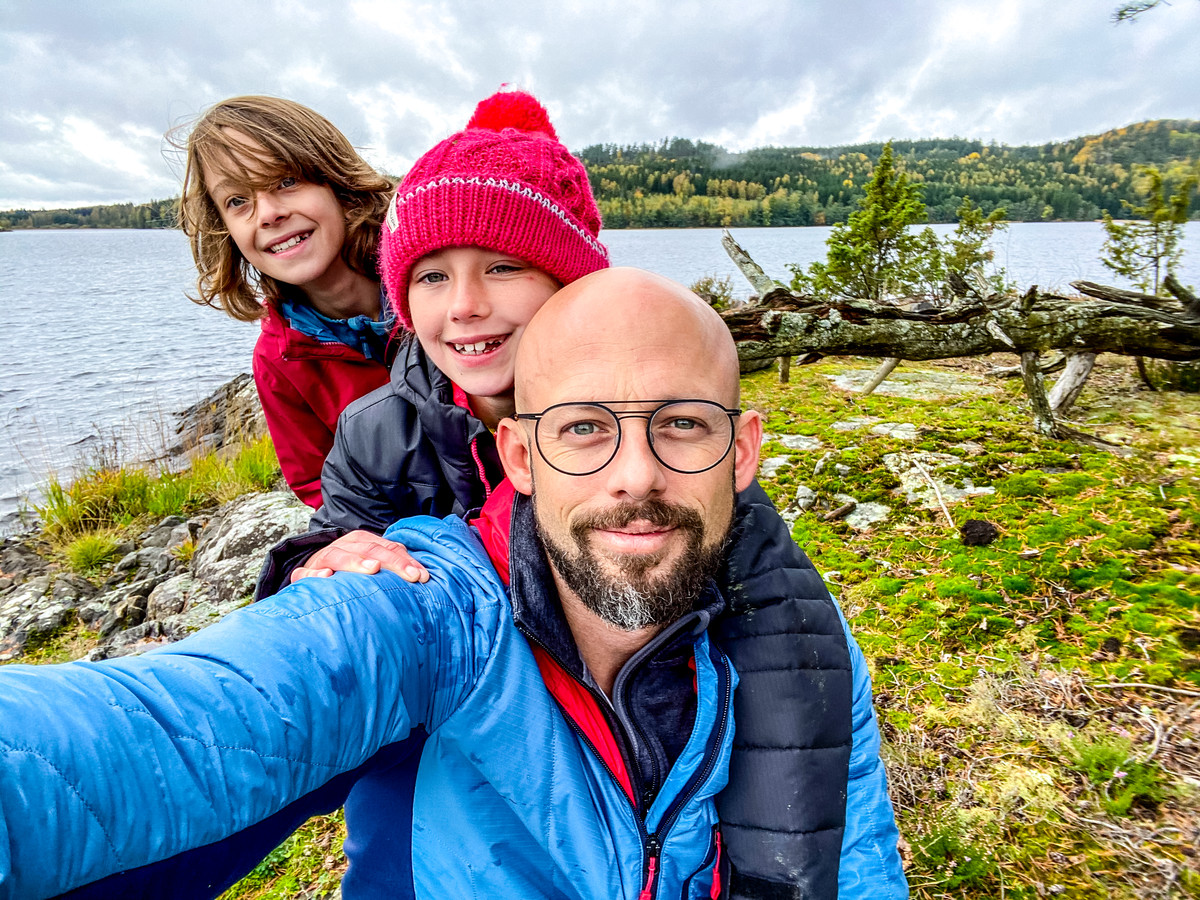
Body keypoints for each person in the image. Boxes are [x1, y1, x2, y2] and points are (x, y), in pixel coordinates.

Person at [0, 269, 906, 900]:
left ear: (742, 452)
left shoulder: (809, 661)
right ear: (517, 454)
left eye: (680, 423)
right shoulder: (436, 611)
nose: (637, 474)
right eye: (585, 429)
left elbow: (855, 868)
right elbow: (162, 731)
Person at [257, 90, 872, 896]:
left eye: (503, 267)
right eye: (433, 275)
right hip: (446, 710)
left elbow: (787, 637)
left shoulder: (659, 441)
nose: (466, 305)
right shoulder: (382, 428)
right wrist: (322, 558)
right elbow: (331, 535)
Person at [174, 96, 395, 506]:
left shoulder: (433, 279)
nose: (268, 214)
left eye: (285, 181)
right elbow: (320, 485)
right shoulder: (278, 360)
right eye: (238, 201)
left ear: (337, 182)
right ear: (224, 230)